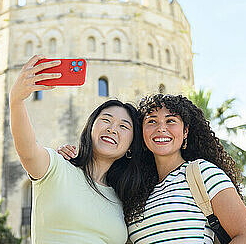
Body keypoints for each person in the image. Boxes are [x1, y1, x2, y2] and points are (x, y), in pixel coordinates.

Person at [59, 93, 246, 244]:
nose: (161, 128)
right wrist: (74, 158)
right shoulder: (135, 190)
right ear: (142, 133)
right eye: (152, 121)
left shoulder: (202, 173)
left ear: (185, 131)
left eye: (171, 121)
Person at [9, 55, 149, 244]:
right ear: (90, 128)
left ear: (131, 147)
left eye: (123, 126)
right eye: (106, 120)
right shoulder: (57, 167)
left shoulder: (124, 198)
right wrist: (16, 101)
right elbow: (27, 149)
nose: (112, 129)